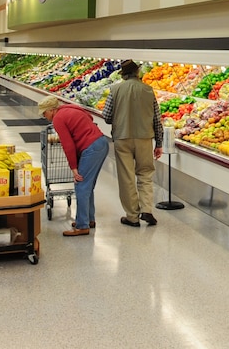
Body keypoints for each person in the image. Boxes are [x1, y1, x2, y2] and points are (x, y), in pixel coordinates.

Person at [102, 60, 163, 227]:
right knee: (145, 174)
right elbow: (157, 119)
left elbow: (106, 116)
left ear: (123, 74)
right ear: (138, 73)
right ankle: (147, 210)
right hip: (144, 138)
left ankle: (132, 216)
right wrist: (159, 143)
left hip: (122, 138)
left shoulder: (115, 90)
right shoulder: (148, 90)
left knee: (126, 177)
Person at [38, 95, 109, 236]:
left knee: (81, 185)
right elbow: (90, 118)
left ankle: (82, 226)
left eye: (44, 112)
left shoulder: (58, 119)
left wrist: (74, 168)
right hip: (101, 143)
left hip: (91, 148)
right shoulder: (70, 107)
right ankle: (88, 219)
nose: (43, 116)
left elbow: (68, 145)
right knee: (88, 185)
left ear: (51, 110)